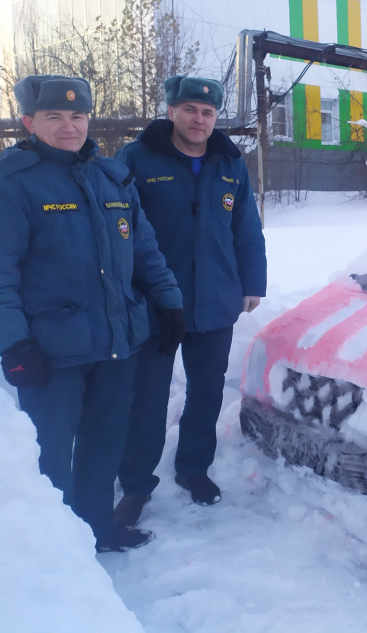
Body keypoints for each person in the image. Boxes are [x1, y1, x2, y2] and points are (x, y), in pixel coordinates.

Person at [0, 75, 184, 552]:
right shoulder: (12, 183)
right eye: (55, 117)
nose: (69, 126)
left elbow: (145, 252)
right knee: (52, 454)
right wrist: (14, 342)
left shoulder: (111, 176)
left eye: (77, 116)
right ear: (28, 121)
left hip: (116, 342)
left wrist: (168, 302)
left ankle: (98, 527)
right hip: (50, 354)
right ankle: (58, 552)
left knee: (105, 444)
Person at [114, 75, 267, 526]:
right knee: (149, 395)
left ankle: (193, 469)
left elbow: (247, 228)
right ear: (171, 112)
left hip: (216, 301)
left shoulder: (229, 162)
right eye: (189, 110)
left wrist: (251, 284)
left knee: (206, 392)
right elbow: (118, 231)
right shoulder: (137, 158)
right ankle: (137, 482)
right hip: (156, 303)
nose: (199, 119)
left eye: (208, 113)